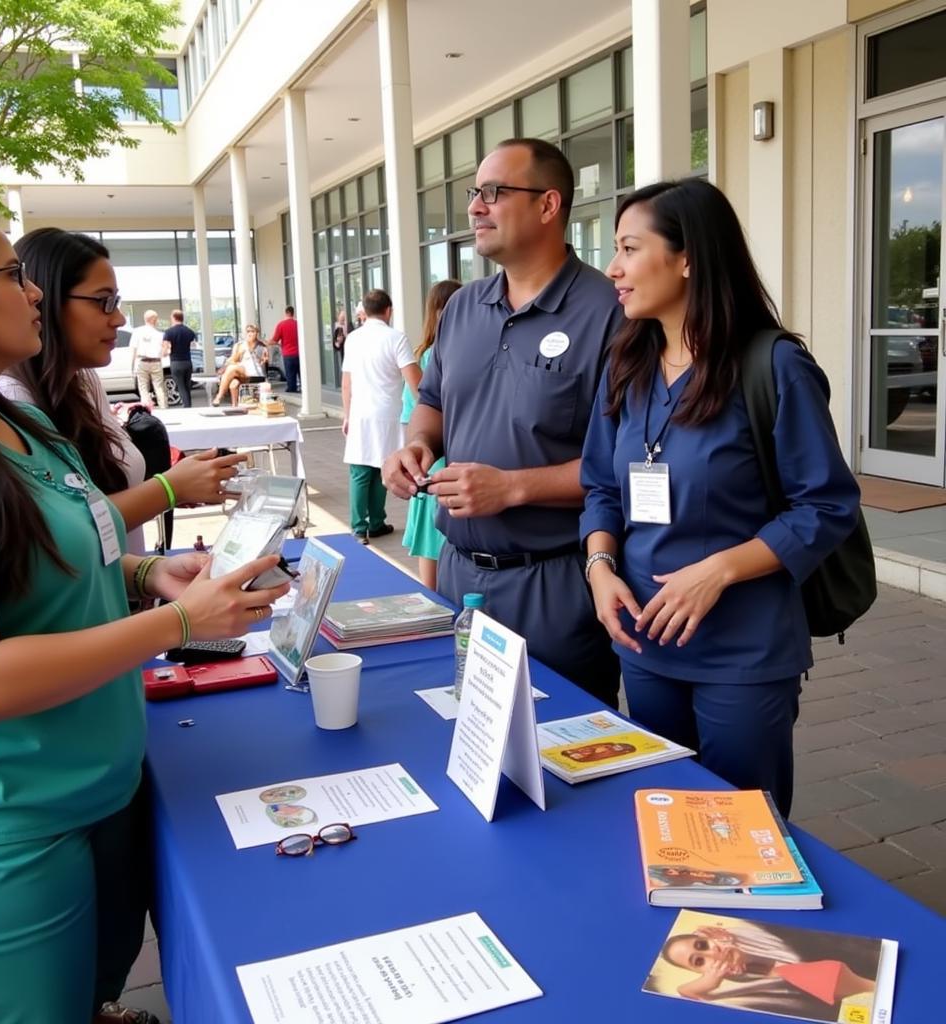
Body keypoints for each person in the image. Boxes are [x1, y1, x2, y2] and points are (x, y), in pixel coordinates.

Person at [0, 196, 289, 1024]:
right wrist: (182, 622)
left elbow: (67, 561)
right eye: (12, 274)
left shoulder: (21, 429)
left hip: (105, 794)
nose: (33, 294)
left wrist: (151, 573)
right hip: (8, 833)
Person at [580, 178, 860, 817]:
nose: (613, 268)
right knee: (667, 816)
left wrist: (718, 572)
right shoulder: (627, 364)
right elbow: (600, 485)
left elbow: (827, 505)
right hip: (647, 642)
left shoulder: (773, 366)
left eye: (629, 248)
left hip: (742, 652)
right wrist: (599, 568)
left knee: (741, 831)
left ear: (687, 259)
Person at [383, 138, 623, 707]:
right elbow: (434, 401)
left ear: (548, 205)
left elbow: (626, 468)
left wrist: (512, 487)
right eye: (474, 193)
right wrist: (416, 444)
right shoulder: (464, 307)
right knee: (466, 743)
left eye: (493, 193)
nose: (475, 208)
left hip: (558, 585)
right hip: (460, 575)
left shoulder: (610, 312)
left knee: (562, 756)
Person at [0, 228, 246, 557]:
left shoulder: (82, 381)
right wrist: (169, 489)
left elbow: (105, 502)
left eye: (116, 301)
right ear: (46, 301)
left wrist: (180, 484)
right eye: (104, 302)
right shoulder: (12, 400)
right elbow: (62, 533)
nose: (117, 319)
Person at [657, 921, 879, 1018]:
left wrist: (725, 937)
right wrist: (709, 981)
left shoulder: (746, 937)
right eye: (699, 961)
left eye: (702, 945)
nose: (712, 954)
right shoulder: (736, 989)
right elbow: (685, 990)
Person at [342, 289, 421, 540]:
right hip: (389, 413)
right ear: (389, 311)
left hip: (360, 413)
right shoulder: (396, 338)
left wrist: (346, 415)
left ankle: (359, 526)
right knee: (382, 468)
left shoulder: (353, 339)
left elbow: (347, 382)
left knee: (360, 471)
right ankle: (377, 522)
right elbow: (414, 381)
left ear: (364, 311)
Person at [401, 280, 462, 589]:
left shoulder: (425, 354)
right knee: (433, 544)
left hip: (433, 467)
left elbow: (406, 416)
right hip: (438, 465)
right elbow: (420, 410)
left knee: (432, 546)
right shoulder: (434, 357)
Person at [213, 324, 268, 406]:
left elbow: (263, 363)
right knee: (233, 383)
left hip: (255, 373)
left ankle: (219, 396)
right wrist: (240, 352)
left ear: (257, 333)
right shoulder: (239, 345)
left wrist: (255, 353)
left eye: (252, 331)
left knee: (232, 368)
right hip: (242, 371)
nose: (250, 334)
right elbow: (233, 360)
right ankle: (235, 407)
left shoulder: (261, 346)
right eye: (248, 332)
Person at [129, 309, 168, 409]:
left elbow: (133, 350)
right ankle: (164, 408)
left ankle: (147, 409)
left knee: (143, 388)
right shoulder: (160, 334)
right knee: (159, 387)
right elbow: (165, 351)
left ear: (145, 319)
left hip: (142, 362)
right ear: (154, 320)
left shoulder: (137, 332)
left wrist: (132, 367)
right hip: (156, 362)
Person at [163, 308, 196, 408]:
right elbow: (193, 346)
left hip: (176, 362)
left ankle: (187, 406)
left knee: (181, 386)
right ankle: (188, 404)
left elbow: (166, 348)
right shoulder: (190, 332)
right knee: (187, 385)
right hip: (187, 361)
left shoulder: (169, 332)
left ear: (173, 318)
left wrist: (164, 353)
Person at [269, 305, 300, 393]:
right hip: (299, 353)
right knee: (301, 373)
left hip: (288, 354)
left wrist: (269, 343)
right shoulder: (298, 324)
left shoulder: (281, 325)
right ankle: (304, 389)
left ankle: (292, 389)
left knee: (290, 374)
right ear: (293, 313)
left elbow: (274, 339)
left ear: (286, 313)